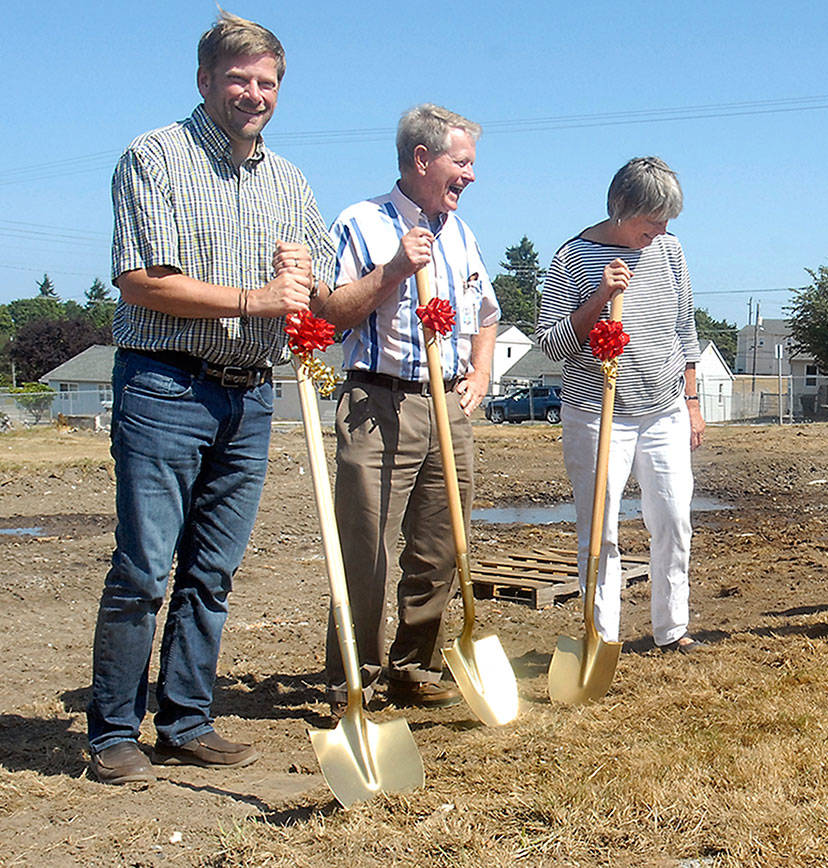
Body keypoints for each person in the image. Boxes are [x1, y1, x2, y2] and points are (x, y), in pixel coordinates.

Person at [89, 12, 332, 784]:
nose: (254, 94)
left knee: (211, 573)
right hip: (165, 384)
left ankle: (186, 721)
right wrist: (257, 298)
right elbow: (141, 280)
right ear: (204, 80)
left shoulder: (290, 182)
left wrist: (319, 278)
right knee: (144, 568)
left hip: (249, 395)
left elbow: (321, 291)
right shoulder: (153, 157)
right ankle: (113, 732)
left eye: (267, 83)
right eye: (239, 79)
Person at [316, 105, 499, 715]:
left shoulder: (463, 235)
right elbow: (331, 312)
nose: (470, 176)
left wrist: (480, 372)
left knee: (441, 543)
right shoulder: (360, 222)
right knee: (365, 545)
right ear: (423, 159)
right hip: (377, 401)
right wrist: (394, 269)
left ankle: (416, 665)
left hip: (446, 403)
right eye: (462, 162)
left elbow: (487, 314)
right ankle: (355, 675)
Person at [536, 157, 706, 652]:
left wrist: (692, 402)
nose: (660, 231)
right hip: (597, 414)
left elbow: (685, 330)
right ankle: (601, 638)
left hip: (664, 409)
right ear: (621, 209)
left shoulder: (670, 251)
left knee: (673, 519)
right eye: (651, 221)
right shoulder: (573, 257)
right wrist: (599, 298)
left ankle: (672, 629)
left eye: (667, 220)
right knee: (600, 529)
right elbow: (551, 344)